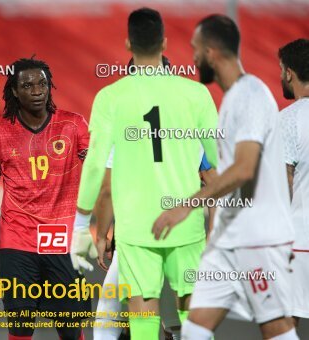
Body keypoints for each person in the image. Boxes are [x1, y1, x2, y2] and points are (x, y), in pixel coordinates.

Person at [70, 7, 218, 339]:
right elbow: (217, 166)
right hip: (186, 224)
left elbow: (97, 170)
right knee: (192, 310)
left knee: (143, 312)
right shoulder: (197, 95)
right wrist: (217, 225)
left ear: (127, 44)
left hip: (137, 230)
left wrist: (82, 226)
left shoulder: (111, 98)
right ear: (164, 43)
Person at [152, 15, 298, 340]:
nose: (192, 58)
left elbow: (244, 168)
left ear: (211, 51)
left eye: (195, 50)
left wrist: (186, 206)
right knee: (193, 330)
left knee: (276, 329)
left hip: (259, 239)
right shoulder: (232, 98)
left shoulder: (251, 95)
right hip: (228, 240)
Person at [0, 57, 91, 340]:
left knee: (71, 330)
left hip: (62, 240)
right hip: (17, 242)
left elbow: (100, 172)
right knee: (20, 328)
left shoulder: (74, 126)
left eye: (43, 84)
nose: (37, 90)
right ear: (14, 91)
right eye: (28, 85)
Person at [94, 148, 216, 340]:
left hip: (139, 238)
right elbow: (214, 183)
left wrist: (102, 236)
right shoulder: (193, 123)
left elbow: (108, 190)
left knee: (109, 316)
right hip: (184, 237)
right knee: (186, 320)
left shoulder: (122, 125)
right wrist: (213, 234)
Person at [279, 38, 309, 325]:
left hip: (300, 241)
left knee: (284, 325)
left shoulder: (287, 120)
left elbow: (283, 183)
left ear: (289, 72)